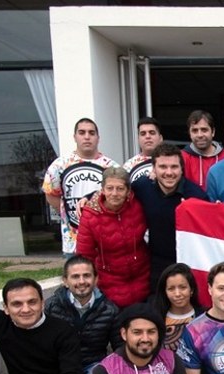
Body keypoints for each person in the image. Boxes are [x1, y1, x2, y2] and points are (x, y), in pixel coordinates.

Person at [131, 143, 208, 291]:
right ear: (153, 169)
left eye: (174, 167)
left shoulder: (197, 196)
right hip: (154, 265)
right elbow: (116, 192)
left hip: (187, 265)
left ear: (182, 169)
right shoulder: (142, 187)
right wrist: (90, 197)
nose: (169, 172)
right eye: (163, 167)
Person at [75, 166, 151, 308]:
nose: (114, 193)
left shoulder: (137, 204)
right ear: (102, 190)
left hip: (143, 279)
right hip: (109, 285)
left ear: (128, 191)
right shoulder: (90, 215)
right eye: (109, 188)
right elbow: (84, 256)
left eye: (120, 189)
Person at [42, 117, 118, 255]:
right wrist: (67, 212)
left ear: (98, 138)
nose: (87, 137)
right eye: (82, 133)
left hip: (105, 242)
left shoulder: (112, 167)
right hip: (73, 244)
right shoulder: (59, 165)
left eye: (91, 133)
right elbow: (51, 195)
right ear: (75, 137)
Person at [44, 256, 122, 374]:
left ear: (96, 279)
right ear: (65, 281)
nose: (81, 281)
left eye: (87, 275)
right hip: (60, 366)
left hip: (94, 366)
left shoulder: (110, 310)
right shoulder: (51, 307)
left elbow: (120, 347)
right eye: (75, 276)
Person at [152, 262, 203, 358]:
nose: (177, 294)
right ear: (165, 292)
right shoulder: (155, 319)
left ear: (191, 289)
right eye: (171, 289)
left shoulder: (204, 317)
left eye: (182, 287)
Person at [181, 110, 224, 190]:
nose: (199, 135)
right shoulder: (181, 157)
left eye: (204, 130)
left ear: (213, 132)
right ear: (190, 134)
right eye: (195, 130)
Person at [122, 117, 165, 183]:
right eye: (143, 134)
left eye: (152, 133)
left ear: (160, 138)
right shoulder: (128, 166)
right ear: (138, 139)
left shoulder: (171, 161)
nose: (147, 136)